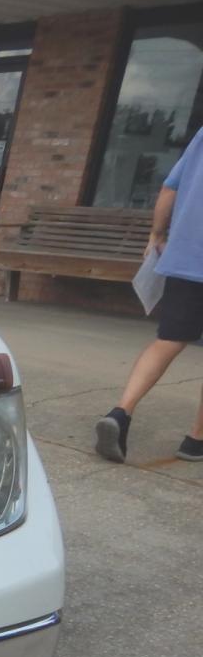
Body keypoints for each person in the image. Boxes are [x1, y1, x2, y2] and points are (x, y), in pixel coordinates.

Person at [95, 126, 203, 463]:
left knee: (168, 339)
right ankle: (195, 440)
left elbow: (169, 190)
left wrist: (157, 234)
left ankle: (121, 412)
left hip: (187, 258)